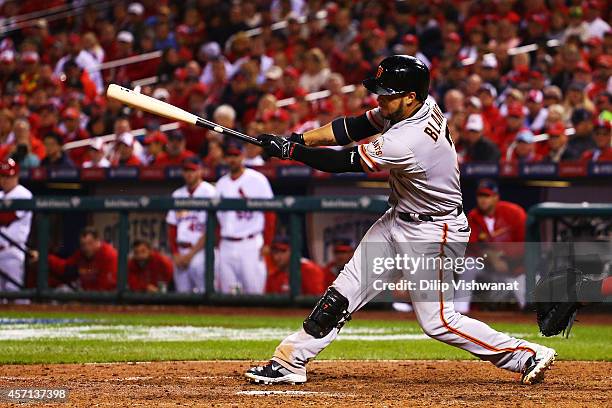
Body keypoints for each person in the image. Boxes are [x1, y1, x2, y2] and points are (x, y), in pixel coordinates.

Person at [247, 55, 555, 386]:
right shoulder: (416, 103)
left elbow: (345, 162)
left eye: (388, 94)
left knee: (438, 321)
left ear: (410, 97)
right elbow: (354, 126)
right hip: (398, 217)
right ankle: (292, 360)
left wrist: (289, 152)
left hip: (433, 230)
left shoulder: (409, 139)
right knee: (343, 291)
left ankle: (525, 354)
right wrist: (298, 139)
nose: (380, 99)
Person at [215, 140, 275, 294]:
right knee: (227, 295)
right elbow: (217, 220)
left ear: (242, 156)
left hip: (250, 243)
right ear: (224, 158)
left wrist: (267, 242)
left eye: (235, 155)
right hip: (226, 244)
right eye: (229, 156)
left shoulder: (258, 179)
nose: (232, 159)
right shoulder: (221, 184)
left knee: (254, 292)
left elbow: (270, 213)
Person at [166, 157, 216, 293]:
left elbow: (212, 228)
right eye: (186, 170)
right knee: (182, 295)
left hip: (201, 251)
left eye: (192, 170)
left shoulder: (210, 192)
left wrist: (191, 254)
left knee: (204, 293)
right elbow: (172, 228)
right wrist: (176, 254)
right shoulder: (177, 194)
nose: (189, 174)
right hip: (180, 252)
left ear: (200, 171)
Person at [0, 159, 33, 293]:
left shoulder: (23, 194)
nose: (5, 180)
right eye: (2, 176)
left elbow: (7, 217)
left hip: (12, 252)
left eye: (9, 176)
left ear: (16, 176)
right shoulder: (1, 195)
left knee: (15, 296)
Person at [48, 227, 117, 291]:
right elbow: (65, 267)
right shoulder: (81, 253)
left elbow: (107, 288)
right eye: (83, 244)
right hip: (88, 297)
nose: (86, 248)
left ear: (98, 241)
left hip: (107, 301)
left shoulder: (109, 255)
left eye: (90, 243)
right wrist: (45, 258)